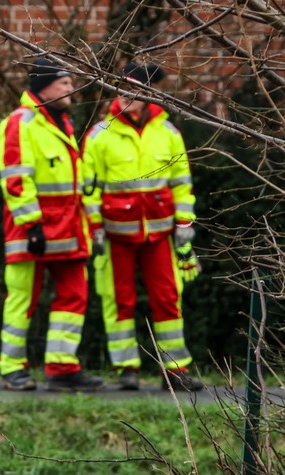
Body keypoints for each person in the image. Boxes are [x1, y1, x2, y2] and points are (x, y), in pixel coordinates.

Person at [82, 62, 204, 392]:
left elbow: (182, 186)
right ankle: (126, 370)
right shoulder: (99, 135)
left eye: (132, 91)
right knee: (119, 300)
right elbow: (89, 188)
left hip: (160, 234)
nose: (124, 97)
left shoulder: (168, 134)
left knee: (167, 298)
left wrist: (185, 225)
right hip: (116, 234)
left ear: (148, 95)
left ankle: (175, 370)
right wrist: (95, 227)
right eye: (120, 90)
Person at [0, 57, 103, 392]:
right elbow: (15, 179)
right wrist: (31, 226)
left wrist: (90, 224)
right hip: (33, 231)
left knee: (74, 295)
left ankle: (61, 368)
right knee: (22, 298)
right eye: (64, 82)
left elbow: (75, 183)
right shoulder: (20, 123)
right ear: (45, 87)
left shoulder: (61, 123)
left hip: (68, 230)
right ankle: (12, 367)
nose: (71, 88)